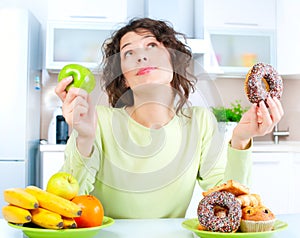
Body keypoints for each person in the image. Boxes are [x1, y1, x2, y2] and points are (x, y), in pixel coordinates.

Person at [55, 18, 284, 219]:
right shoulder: (99, 121)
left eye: (152, 45)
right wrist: (84, 138)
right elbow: (68, 202)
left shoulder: (200, 122)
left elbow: (226, 201)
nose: (141, 56)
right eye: (129, 52)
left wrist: (241, 139)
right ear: (123, 77)